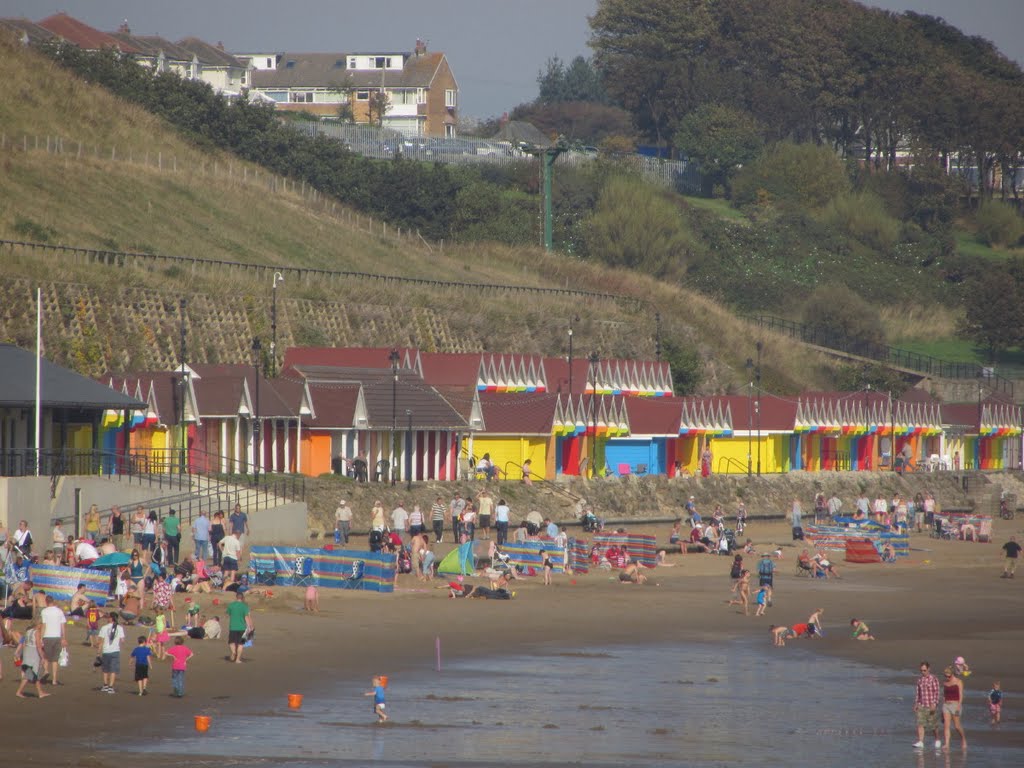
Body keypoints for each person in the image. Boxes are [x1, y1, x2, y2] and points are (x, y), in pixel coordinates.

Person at [15, 620, 50, 699]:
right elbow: (38, 646)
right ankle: (20, 691)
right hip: (33, 654)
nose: (42, 626)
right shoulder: (36, 632)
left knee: (31, 674)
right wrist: (42, 657)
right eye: (41, 624)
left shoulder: (28, 631)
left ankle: (40, 692)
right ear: (38, 625)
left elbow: (24, 643)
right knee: (32, 673)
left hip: (27, 652)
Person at [913, 661, 942, 751]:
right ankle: (921, 742)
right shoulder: (920, 680)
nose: (923, 672)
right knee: (920, 723)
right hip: (922, 705)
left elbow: (937, 692)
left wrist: (934, 703)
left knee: (933, 725)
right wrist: (916, 703)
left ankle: (937, 739)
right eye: (921, 670)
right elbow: (918, 693)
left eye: (924, 670)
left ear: (929, 669)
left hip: (931, 705)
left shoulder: (933, 679)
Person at [39, 595, 67, 687]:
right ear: (53, 601)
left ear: (46, 602)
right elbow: (63, 626)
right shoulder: (59, 611)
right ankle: (54, 680)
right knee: (55, 659)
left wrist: (41, 638)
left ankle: (46, 671)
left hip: (47, 636)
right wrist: (64, 638)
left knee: (45, 656)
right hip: (57, 637)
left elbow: (44, 626)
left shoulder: (44, 611)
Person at [941, 667, 967, 751]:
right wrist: (942, 708)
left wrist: (958, 707)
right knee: (946, 725)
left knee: (957, 726)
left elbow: (961, 696)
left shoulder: (958, 682)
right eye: (946, 676)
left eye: (949, 676)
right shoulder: (945, 683)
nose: (947, 678)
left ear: (952, 674)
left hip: (955, 704)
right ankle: (947, 744)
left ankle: (963, 739)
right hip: (946, 705)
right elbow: (944, 696)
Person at [99, 611, 125, 694]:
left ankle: (105, 685)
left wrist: (98, 652)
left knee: (105, 669)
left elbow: (101, 641)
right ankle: (110, 687)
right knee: (113, 669)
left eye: (108, 617)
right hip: (115, 650)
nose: (107, 618)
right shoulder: (120, 628)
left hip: (106, 651)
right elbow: (122, 640)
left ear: (111, 618)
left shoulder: (104, 627)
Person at [226, 591, 252, 664]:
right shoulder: (245, 606)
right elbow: (246, 617)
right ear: (242, 598)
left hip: (233, 627)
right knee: (241, 644)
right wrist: (249, 627)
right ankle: (237, 659)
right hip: (242, 628)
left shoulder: (231, 605)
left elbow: (228, 614)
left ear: (236, 597)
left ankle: (234, 652)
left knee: (231, 642)